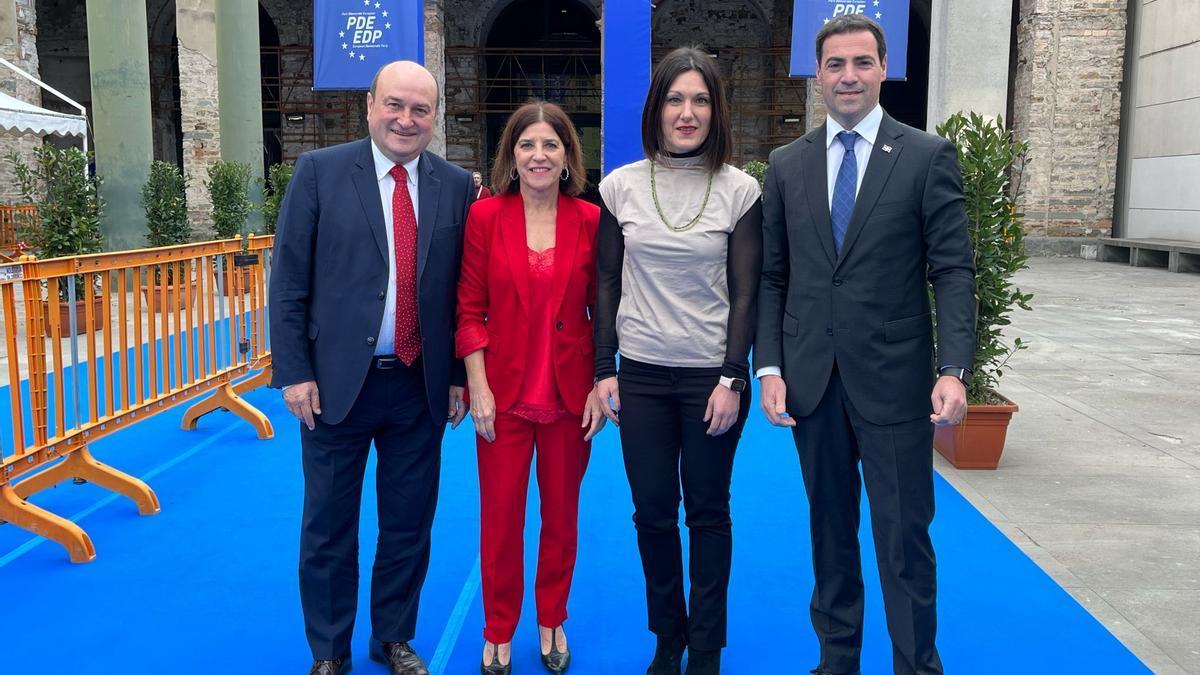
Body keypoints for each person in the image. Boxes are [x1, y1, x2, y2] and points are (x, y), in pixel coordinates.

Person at [754, 16, 976, 675]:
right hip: (812, 381)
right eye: (834, 64)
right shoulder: (787, 166)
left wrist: (954, 367)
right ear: (816, 75)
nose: (847, 76)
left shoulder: (926, 156)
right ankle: (837, 660)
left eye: (861, 62)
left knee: (903, 536)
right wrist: (769, 364)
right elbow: (773, 274)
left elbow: (953, 269)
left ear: (884, 69)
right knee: (830, 533)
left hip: (896, 383)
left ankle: (916, 663)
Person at [269, 60, 473, 675]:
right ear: (370, 104)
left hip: (419, 386)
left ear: (435, 116)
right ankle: (329, 650)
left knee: (408, 524)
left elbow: (463, 292)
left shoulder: (457, 186)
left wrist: (460, 375)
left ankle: (394, 637)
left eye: (420, 109)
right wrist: (294, 371)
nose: (406, 119)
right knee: (329, 527)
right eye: (395, 105)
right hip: (335, 387)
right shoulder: (319, 173)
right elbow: (288, 283)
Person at [593, 47, 762, 675]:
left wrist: (732, 376)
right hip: (640, 375)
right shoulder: (620, 186)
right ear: (655, 108)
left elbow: (747, 291)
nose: (686, 113)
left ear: (715, 111)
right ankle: (668, 634)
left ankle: (707, 645)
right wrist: (602, 368)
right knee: (654, 512)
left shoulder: (740, 190)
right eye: (674, 99)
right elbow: (606, 282)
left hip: (710, 379)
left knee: (709, 510)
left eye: (699, 100)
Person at [455, 100, 605, 675]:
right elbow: (469, 308)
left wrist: (597, 382)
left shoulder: (590, 220)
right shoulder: (485, 217)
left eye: (550, 145)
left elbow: (604, 310)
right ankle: (497, 628)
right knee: (500, 519)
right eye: (527, 145)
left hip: (571, 400)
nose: (539, 155)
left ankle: (551, 617)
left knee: (562, 519)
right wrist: (479, 387)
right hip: (503, 398)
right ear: (511, 156)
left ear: (568, 156)